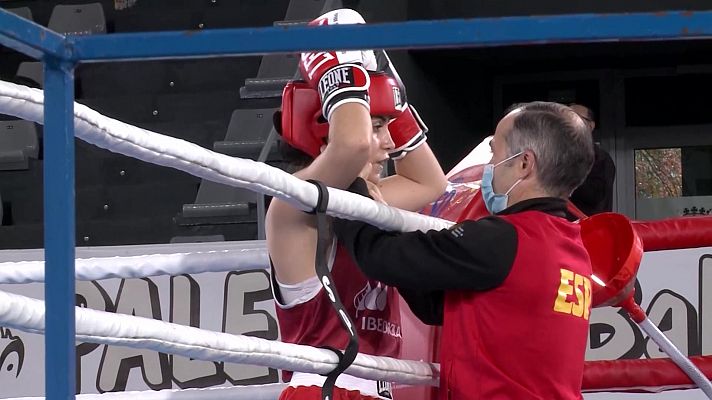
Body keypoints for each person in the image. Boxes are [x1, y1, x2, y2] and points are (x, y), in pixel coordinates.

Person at [333, 102, 595, 400]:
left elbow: (383, 258)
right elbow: (436, 306)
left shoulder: (504, 239)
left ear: (524, 164)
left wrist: (344, 192)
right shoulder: (573, 248)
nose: (489, 166)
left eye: (495, 153)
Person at [265, 9, 447, 400]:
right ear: (324, 125)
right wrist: (337, 72)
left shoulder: (370, 201)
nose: (389, 143)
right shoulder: (293, 204)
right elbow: (352, 145)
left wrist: (389, 91)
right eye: (378, 125)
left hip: (376, 388)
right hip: (324, 388)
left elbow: (432, 182)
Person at [568, 103, 616, 215]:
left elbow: (594, 196)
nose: (568, 122)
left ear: (591, 125)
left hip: (587, 229)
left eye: (575, 117)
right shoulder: (558, 155)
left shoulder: (601, 158)